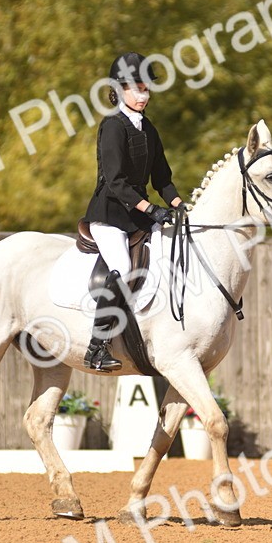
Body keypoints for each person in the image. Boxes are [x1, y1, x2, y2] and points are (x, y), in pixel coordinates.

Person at [82, 51, 183, 371]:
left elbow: (162, 179)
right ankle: (96, 347)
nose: (143, 96)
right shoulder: (113, 126)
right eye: (137, 89)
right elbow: (115, 182)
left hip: (138, 215)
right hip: (110, 214)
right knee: (123, 267)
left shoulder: (148, 129)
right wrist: (152, 209)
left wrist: (180, 206)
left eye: (146, 89)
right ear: (119, 89)